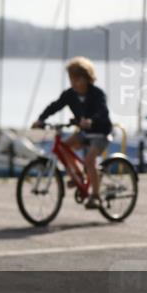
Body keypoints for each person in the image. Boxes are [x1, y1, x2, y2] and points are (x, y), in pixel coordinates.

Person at [32, 56, 112, 209]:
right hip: (84, 133)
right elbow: (54, 106)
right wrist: (41, 119)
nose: (73, 83)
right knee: (62, 148)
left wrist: (90, 121)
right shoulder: (70, 94)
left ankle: (95, 196)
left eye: (77, 79)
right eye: (71, 79)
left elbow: (102, 111)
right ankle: (79, 175)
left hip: (100, 133)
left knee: (89, 160)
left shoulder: (97, 94)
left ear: (87, 78)